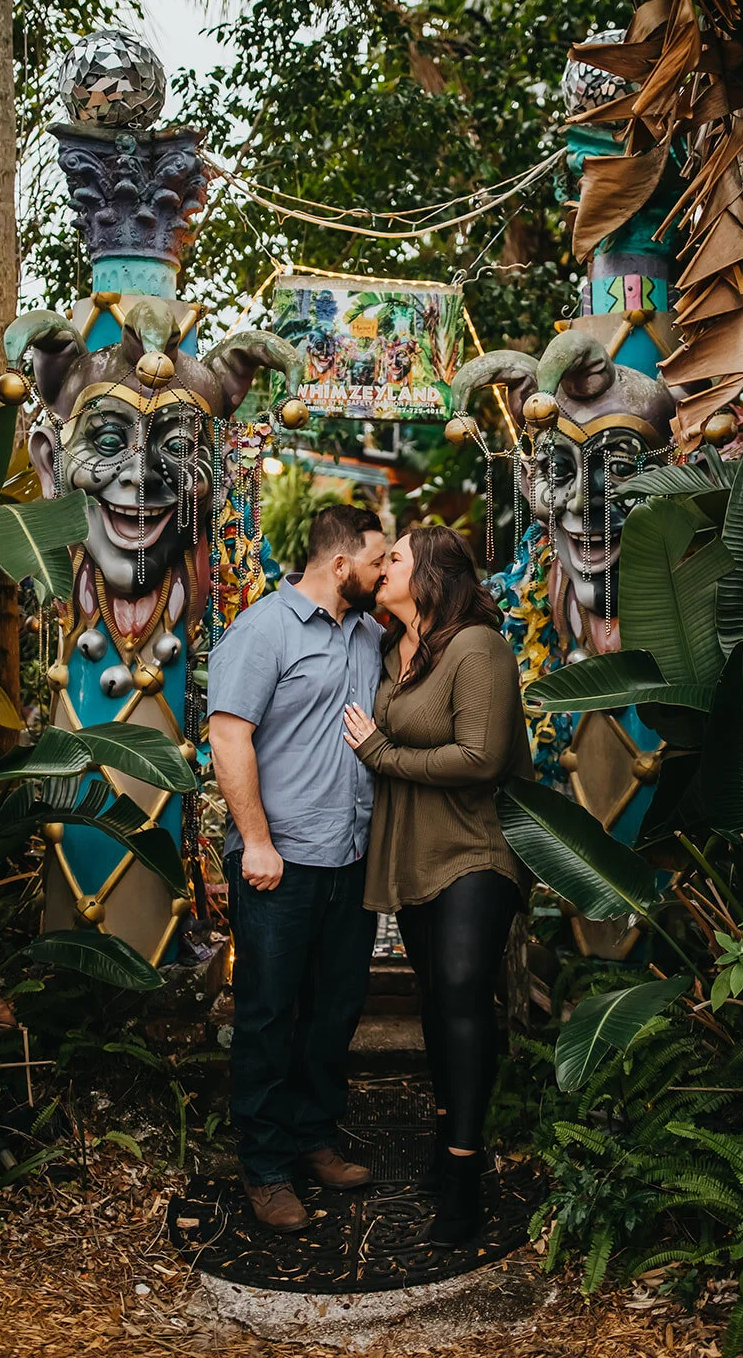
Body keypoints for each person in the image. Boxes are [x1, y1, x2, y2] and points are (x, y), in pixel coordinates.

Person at [342, 525, 533, 1248]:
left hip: (474, 850)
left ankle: (462, 1166)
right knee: (438, 1001)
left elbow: (481, 757)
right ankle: (449, 1134)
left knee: (459, 992)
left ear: (429, 575)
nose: (383, 564)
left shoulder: (476, 648)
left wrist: (381, 756)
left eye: (393, 557)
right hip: (415, 853)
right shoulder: (393, 650)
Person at [209, 504, 387, 1233]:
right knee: (268, 1013)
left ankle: (314, 1134)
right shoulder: (263, 629)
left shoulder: (373, 635)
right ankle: (265, 1165)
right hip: (277, 863)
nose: (384, 573)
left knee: (335, 1007)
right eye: (378, 560)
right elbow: (228, 738)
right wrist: (255, 841)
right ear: (341, 564)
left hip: (350, 856)